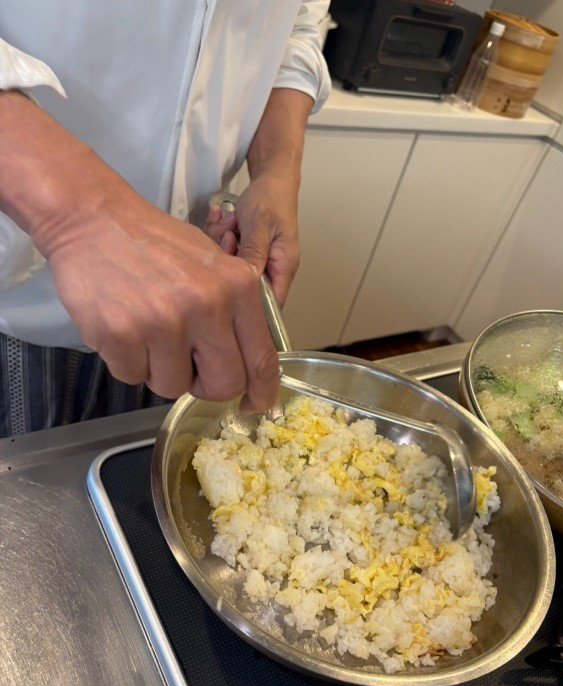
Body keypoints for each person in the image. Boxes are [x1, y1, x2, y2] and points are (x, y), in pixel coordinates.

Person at [0, 1, 331, 437]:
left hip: (191, 299)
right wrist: (77, 218)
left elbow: (297, 27)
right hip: (19, 305)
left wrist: (277, 173)